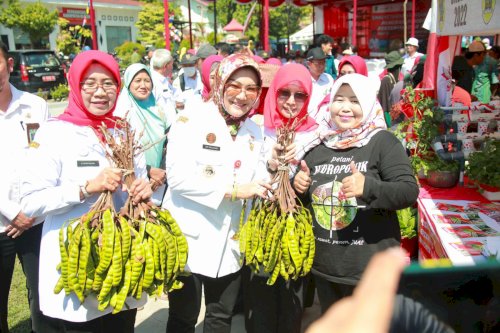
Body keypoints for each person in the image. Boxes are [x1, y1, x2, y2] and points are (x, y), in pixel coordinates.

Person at [19, 50, 152, 332]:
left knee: (121, 323)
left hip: (122, 256)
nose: (100, 92)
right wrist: (85, 188)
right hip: (78, 260)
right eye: (89, 83)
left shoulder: (124, 130)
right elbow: (30, 202)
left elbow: (137, 179)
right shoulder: (55, 133)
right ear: (75, 86)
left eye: (108, 83)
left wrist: (142, 187)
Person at [162, 54, 272, 333]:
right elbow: (177, 178)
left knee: (220, 316)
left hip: (230, 240)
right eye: (235, 85)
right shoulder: (191, 120)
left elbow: (258, 175)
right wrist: (234, 191)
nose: (242, 95)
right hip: (189, 237)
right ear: (220, 83)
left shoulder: (253, 130)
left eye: (251, 88)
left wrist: (276, 169)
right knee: (183, 316)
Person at [293, 73, 418, 316]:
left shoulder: (382, 142)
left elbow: (408, 191)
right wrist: (300, 185)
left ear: (369, 104)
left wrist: (368, 187)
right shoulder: (317, 144)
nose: (345, 108)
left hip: (370, 269)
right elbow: (309, 200)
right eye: (339, 99)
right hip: (326, 268)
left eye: (354, 101)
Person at [242, 63, 317, 333]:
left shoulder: (316, 134)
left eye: (300, 95)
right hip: (262, 228)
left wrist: (304, 181)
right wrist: (272, 165)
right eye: (284, 93)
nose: (291, 101)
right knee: (260, 302)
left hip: (296, 230)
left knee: (291, 304)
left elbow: (321, 179)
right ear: (273, 92)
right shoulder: (256, 130)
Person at [0, 40, 50, 333]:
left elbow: (46, 159)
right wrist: (10, 211)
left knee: (43, 296)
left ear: (8, 64)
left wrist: (28, 210)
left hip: (34, 220)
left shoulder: (35, 106)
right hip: (1, 223)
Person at [115, 63, 174, 206]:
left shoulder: (160, 111)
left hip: (159, 182)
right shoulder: (121, 112)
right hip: (132, 184)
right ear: (128, 83)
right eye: (137, 81)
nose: (143, 85)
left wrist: (161, 172)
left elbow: (169, 142)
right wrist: (149, 171)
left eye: (147, 81)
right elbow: (119, 152)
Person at [305, 47, 334, 122]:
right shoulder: (303, 80)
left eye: (323, 62)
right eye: (318, 63)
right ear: (309, 64)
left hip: (326, 122)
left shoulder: (329, 79)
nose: (322, 66)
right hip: (307, 121)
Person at [378, 51, 404, 127]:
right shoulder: (386, 81)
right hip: (391, 123)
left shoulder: (396, 80)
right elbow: (385, 109)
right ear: (399, 66)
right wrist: (390, 127)